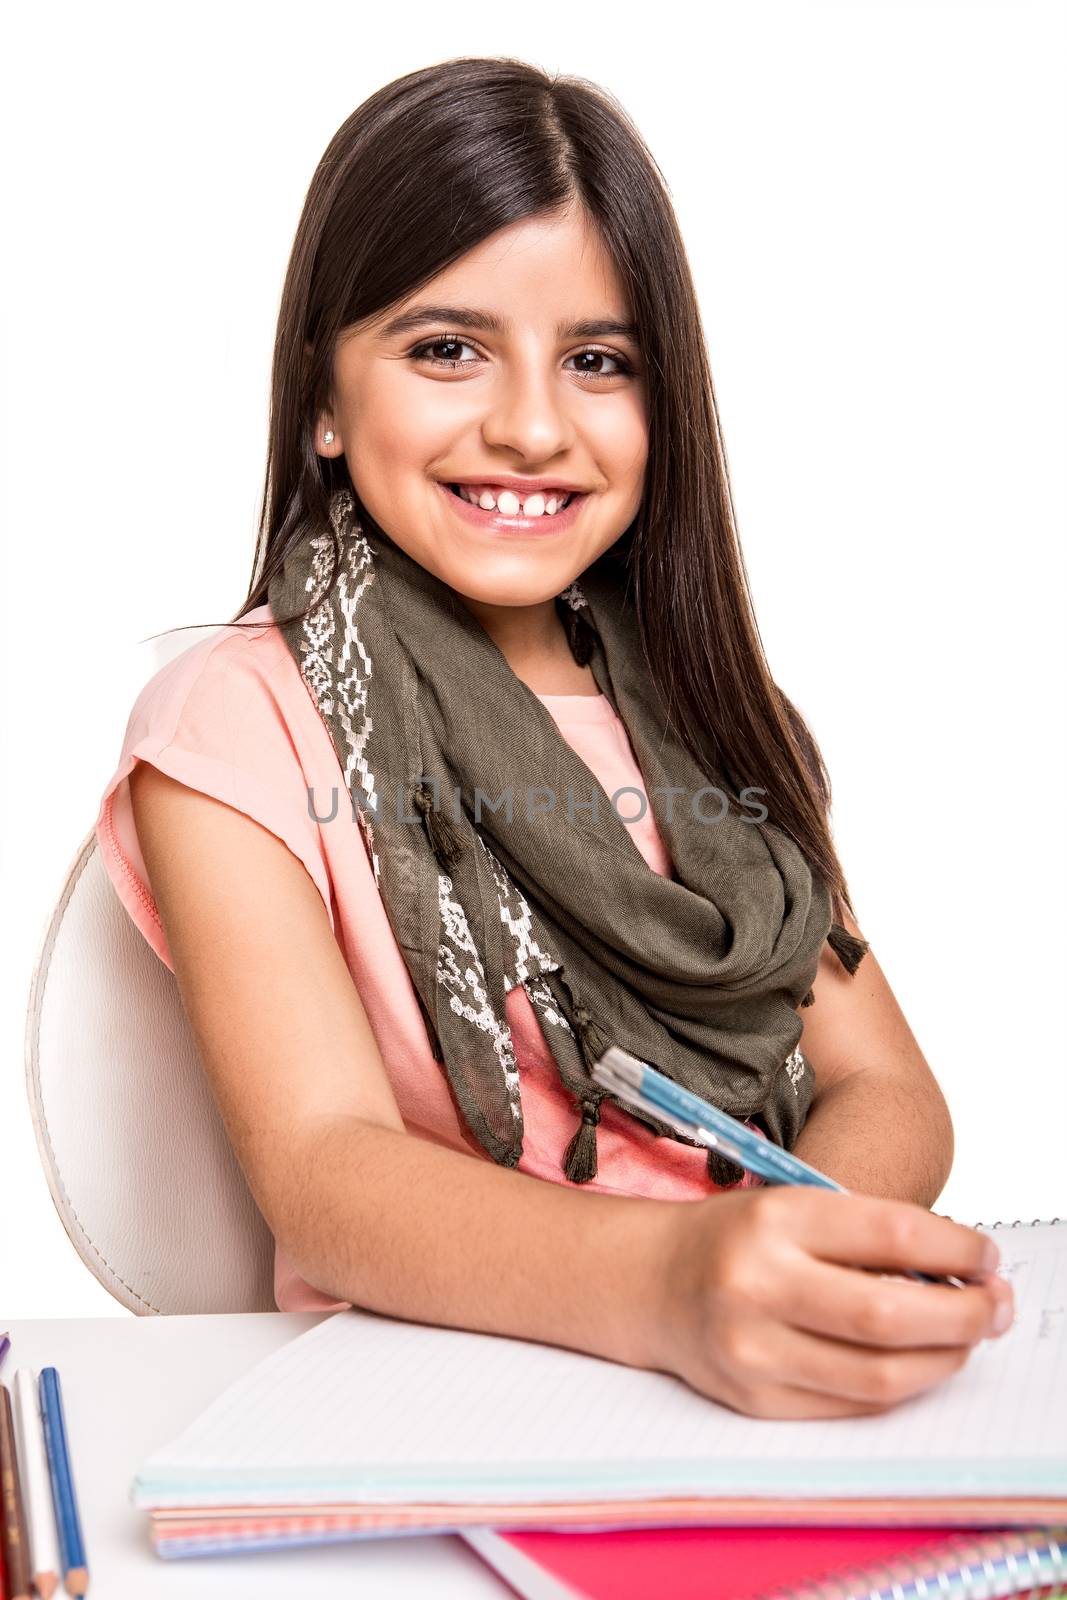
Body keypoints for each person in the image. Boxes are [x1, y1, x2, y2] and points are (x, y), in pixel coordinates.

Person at [95, 55, 1014, 1420]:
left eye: (597, 362)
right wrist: (675, 1282)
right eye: (446, 348)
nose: (530, 426)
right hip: (439, 1405)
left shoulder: (704, 710)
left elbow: (889, 1086)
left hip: (742, 1376)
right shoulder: (235, 723)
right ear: (327, 400)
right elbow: (325, 1170)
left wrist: (802, 1254)